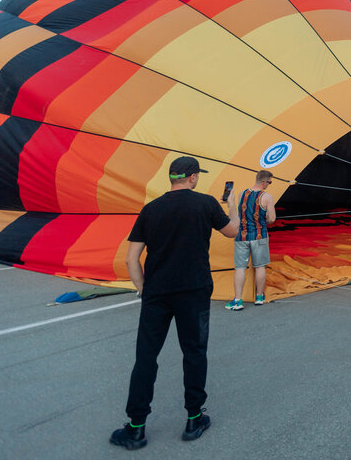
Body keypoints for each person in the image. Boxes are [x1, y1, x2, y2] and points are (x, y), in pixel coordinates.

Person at [111, 157, 240, 450]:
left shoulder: (150, 209)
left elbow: (131, 259)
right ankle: (194, 419)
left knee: (146, 357)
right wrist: (232, 204)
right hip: (193, 291)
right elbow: (232, 231)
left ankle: (135, 428)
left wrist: (145, 290)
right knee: (194, 353)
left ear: (172, 178)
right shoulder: (205, 204)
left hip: (157, 293)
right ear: (192, 177)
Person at [226, 170, 277, 310]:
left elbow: (239, 213)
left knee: (240, 269)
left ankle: (237, 300)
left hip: (241, 236)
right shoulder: (267, 197)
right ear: (264, 182)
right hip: (259, 236)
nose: (269, 185)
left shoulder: (243, 193)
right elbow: (272, 219)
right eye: (270, 182)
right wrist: (264, 219)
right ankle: (259, 297)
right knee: (260, 266)